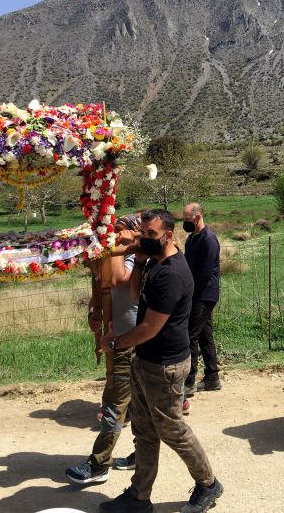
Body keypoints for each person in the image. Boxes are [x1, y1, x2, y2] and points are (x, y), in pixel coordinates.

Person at [99, 209, 222, 513]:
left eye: (151, 234)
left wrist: (115, 342)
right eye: (142, 233)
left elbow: (149, 328)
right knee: (143, 429)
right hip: (146, 359)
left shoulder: (172, 274)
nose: (144, 239)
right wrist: (140, 261)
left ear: (168, 235)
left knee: (172, 430)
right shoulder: (155, 261)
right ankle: (139, 497)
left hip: (165, 366)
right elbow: (135, 294)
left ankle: (208, 484)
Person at [65, 214, 142, 484]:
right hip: (117, 339)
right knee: (134, 404)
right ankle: (142, 454)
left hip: (130, 341)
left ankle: (99, 464)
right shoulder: (108, 257)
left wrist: (117, 247)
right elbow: (98, 293)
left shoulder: (137, 257)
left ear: (134, 233)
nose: (114, 236)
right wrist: (93, 315)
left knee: (114, 404)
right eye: (112, 230)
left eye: (120, 230)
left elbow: (117, 278)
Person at [182, 203, 222, 397]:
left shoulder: (209, 239)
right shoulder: (192, 239)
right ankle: (212, 377)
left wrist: (190, 293)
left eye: (187, 219)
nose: (184, 222)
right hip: (196, 293)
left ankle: (189, 381)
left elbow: (204, 273)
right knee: (205, 335)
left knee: (191, 335)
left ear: (197, 217)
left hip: (204, 294)